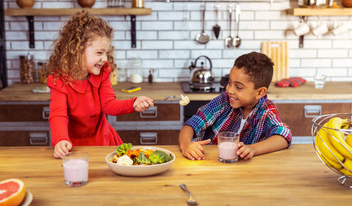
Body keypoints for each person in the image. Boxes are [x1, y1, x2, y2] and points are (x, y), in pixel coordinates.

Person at [45, 11, 154, 159]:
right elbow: (58, 115)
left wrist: (133, 103)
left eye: (106, 53)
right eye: (99, 53)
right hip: (73, 146)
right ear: (77, 51)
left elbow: (109, 105)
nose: (104, 58)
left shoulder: (102, 73)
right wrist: (61, 139)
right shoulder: (59, 81)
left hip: (103, 142)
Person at [179, 52, 292, 161]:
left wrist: (252, 149)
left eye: (238, 87)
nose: (229, 90)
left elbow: (283, 136)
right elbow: (191, 124)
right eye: (229, 82)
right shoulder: (224, 100)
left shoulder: (266, 110)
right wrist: (186, 145)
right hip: (208, 160)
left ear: (260, 92)